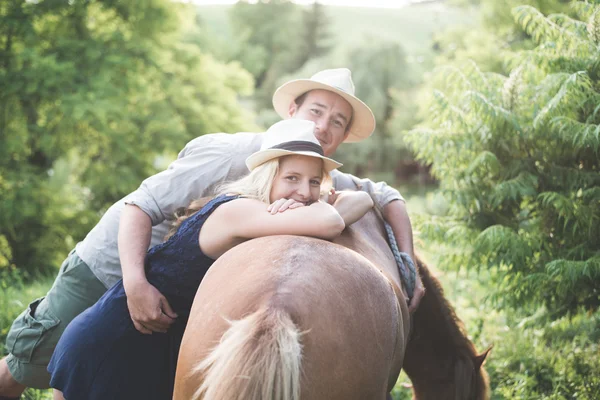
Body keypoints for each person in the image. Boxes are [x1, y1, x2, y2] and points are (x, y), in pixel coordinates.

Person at [0, 68, 424, 398]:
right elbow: (138, 206)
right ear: (292, 111)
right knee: (24, 367)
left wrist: (406, 265)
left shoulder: (306, 177)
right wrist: (135, 284)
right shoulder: (233, 160)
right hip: (112, 268)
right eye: (316, 112)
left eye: (337, 122)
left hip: (169, 311)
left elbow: (379, 193)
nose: (323, 127)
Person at [47, 119, 375, 400]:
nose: (304, 191)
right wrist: (322, 208)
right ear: (267, 176)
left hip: (159, 341)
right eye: (292, 178)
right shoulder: (238, 210)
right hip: (116, 336)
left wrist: (319, 205)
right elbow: (331, 222)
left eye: (314, 181)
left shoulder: (271, 213)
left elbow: (361, 199)